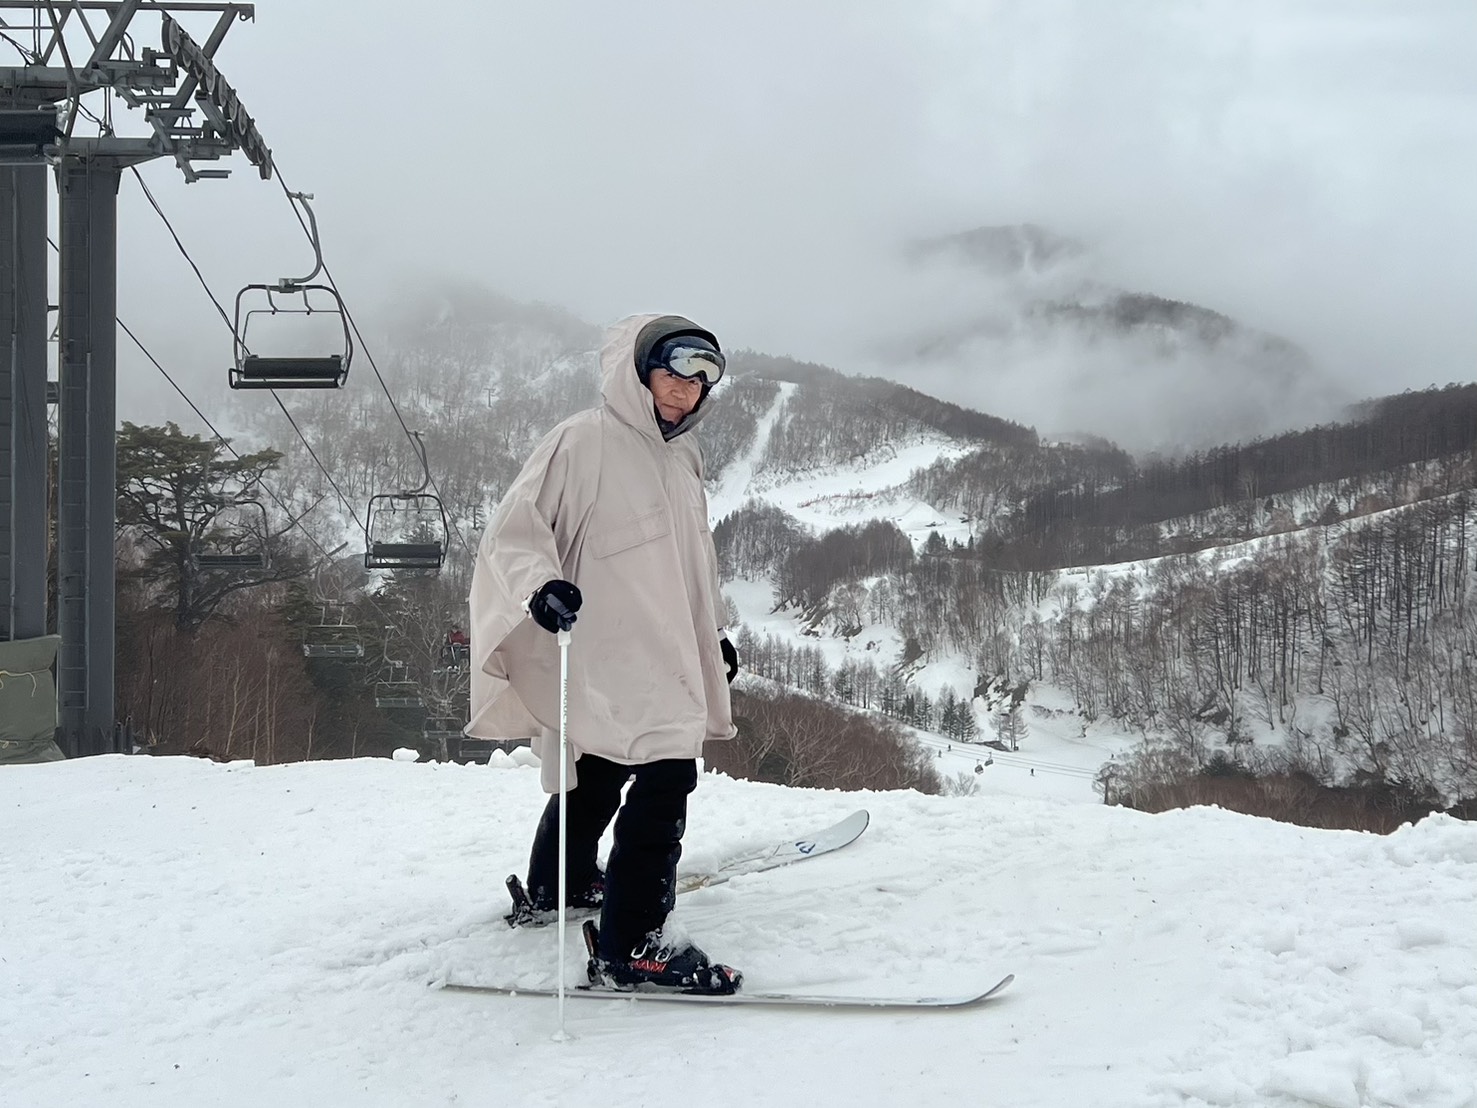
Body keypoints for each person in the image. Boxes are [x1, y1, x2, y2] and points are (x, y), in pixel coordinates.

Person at [466, 314, 742, 995]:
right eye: (673, 371)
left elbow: (692, 562)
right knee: (666, 773)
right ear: (638, 372)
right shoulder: (583, 440)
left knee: (600, 764)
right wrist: (539, 587)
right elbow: (515, 530)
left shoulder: (683, 457)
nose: (685, 389)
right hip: (604, 643)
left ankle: (557, 884)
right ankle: (633, 944)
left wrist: (711, 636)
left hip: (660, 646)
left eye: (701, 379)